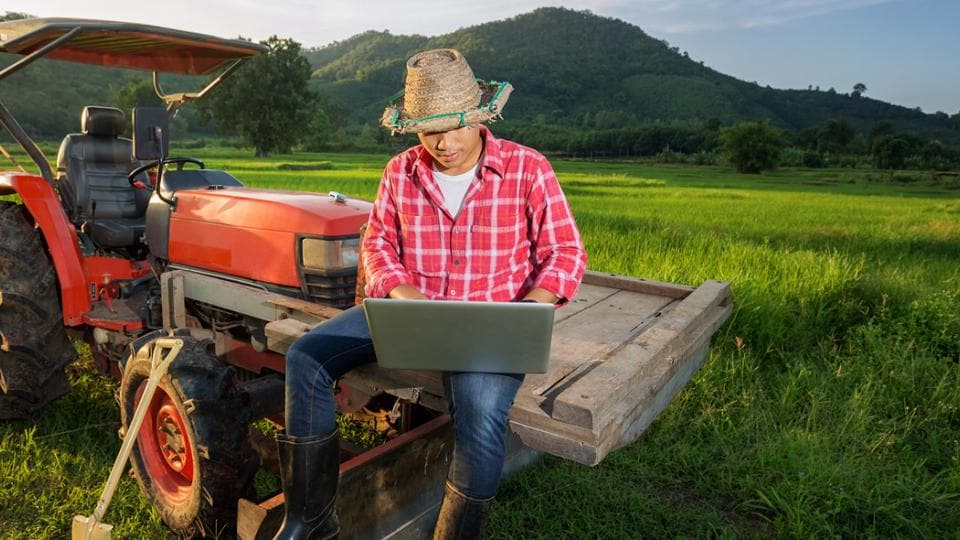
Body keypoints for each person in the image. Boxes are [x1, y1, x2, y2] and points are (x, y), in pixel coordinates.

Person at [276, 48, 587, 540]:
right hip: (409, 311)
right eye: (428, 131)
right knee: (305, 356)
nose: (442, 144)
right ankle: (309, 521)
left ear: (479, 119)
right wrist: (405, 295)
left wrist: (530, 309)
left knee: (480, 409)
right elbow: (377, 243)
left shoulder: (529, 169)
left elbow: (566, 251)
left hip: (493, 319)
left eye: (453, 129)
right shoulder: (401, 171)